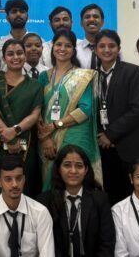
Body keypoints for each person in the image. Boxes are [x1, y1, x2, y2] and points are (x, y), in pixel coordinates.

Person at [36, 29, 101, 191]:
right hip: (47, 139)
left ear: (73, 50)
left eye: (67, 45)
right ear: (52, 47)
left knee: (74, 180)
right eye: (58, 44)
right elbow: (37, 110)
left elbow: (85, 110)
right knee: (52, 185)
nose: (62, 49)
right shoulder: (44, 76)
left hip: (74, 136)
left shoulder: (83, 76)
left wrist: (56, 125)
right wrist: (45, 138)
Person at [0, 39, 43, 200]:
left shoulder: (35, 86)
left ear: (25, 55)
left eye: (19, 53)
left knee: (21, 187)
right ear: (3, 58)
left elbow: (35, 114)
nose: (15, 57)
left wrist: (14, 131)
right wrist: (7, 135)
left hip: (23, 146)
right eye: (10, 54)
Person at [94, 29, 139, 204]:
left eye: (112, 46)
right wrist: (101, 135)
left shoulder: (133, 72)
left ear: (118, 49)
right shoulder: (92, 76)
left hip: (129, 146)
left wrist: (110, 134)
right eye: (102, 46)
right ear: (95, 50)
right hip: (103, 149)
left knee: (133, 197)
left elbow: (138, 109)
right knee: (110, 197)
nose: (107, 50)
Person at [36, 145, 115, 257]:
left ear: (86, 170)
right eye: (67, 165)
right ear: (58, 169)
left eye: (79, 166)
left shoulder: (100, 199)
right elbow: (45, 246)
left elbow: (107, 244)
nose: (73, 171)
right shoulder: (44, 201)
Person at [0, 155, 55, 256]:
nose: (15, 184)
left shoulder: (40, 213)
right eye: (8, 179)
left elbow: (47, 254)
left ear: (24, 179)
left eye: (18, 178)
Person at [0, 0, 32, 72]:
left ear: (27, 16)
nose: (18, 14)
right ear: (7, 17)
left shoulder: (38, 44)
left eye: (22, 11)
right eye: (14, 11)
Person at [77, 4, 105, 69]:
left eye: (95, 16)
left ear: (102, 22)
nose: (91, 19)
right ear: (81, 23)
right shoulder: (75, 50)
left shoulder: (111, 48)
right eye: (87, 17)